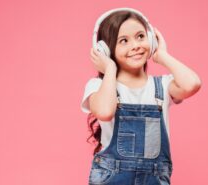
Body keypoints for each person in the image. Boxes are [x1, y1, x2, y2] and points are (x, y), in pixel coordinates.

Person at [81, 7, 201, 185]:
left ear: (151, 40)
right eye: (123, 41)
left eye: (140, 36)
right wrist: (110, 69)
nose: (135, 45)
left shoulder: (162, 86)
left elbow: (193, 84)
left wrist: (162, 56)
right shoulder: (98, 86)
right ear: (105, 50)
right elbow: (105, 111)